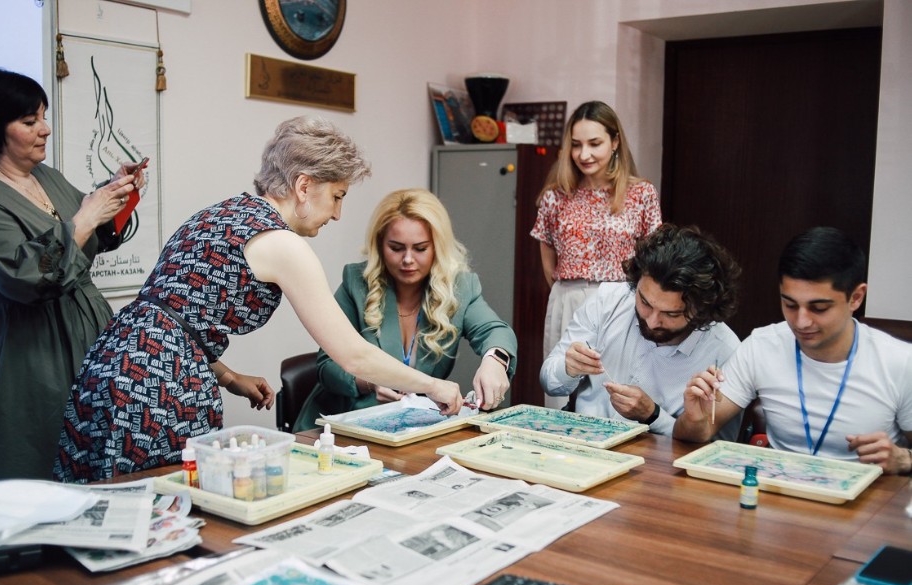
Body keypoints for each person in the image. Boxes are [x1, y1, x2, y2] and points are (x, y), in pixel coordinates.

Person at [55, 118, 463, 483]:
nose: (337, 213)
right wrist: (433, 386)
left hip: (113, 362)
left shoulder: (221, 213)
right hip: (157, 383)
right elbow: (352, 355)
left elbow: (175, 317)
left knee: (107, 499)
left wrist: (229, 377)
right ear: (304, 186)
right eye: (337, 196)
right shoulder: (281, 243)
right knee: (159, 502)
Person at [0, 68, 143, 481]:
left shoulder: (46, 176)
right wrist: (86, 216)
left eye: (43, 116)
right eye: (29, 121)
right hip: (32, 342)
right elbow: (24, 277)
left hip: (86, 325)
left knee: (101, 439)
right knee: (45, 445)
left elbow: (89, 237)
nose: (45, 129)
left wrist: (114, 194)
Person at [676, 227, 912, 475]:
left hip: (869, 493)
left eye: (819, 308)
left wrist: (904, 459)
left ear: (856, 297)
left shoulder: (900, 362)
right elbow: (698, 433)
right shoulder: (762, 346)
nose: (801, 322)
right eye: (790, 304)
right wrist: (694, 419)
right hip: (778, 489)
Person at [294, 188, 517, 432]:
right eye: (396, 248)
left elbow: (494, 330)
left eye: (420, 248)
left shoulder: (460, 288)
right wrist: (370, 382)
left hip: (410, 431)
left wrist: (495, 360)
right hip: (339, 427)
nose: (408, 259)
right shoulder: (356, 283)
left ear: (437, 247)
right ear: (380, 244)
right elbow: (327, 366)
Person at [540, 224, 742, 440]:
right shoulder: (609, 300)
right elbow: (549, 382)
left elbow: (717, 448)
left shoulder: (725, 352)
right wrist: (568, 369)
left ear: (702, 309)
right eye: (645, 302)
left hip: (657, 458)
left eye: (671, 314)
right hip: (582, 440)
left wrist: (653, 415)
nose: (652, 322)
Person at [531, 101, 662, 408]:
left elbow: (654, 256)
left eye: (594, 143)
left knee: (614, 390)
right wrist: (567, 293)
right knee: (561, 388)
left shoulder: (641, 193)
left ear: (615, 142)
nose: (584, 154)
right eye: (576, 145)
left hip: (622, 303)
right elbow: (547, 254)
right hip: (568, 297)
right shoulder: (555, 196)